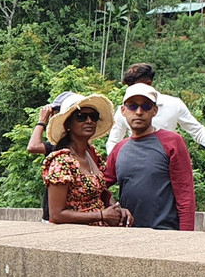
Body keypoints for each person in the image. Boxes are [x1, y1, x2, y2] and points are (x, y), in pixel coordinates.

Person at [106, 63, 205, 169]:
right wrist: (120, 167)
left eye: (135, 86)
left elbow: (197, 130)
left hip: (169, 168)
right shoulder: (125, 110)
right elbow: (113, 142)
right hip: (137, 169)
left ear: (149, 83)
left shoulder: (173, 104)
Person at [104, 84, 196, 231]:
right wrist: (113, 208)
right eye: (132, 106)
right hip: (128, 234)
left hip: (165, 234)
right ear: (123, 111)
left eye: (146, 106)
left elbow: (185, 194)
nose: (139, 112)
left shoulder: (172, 142)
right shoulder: (119, 149)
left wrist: (185, 237)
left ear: (155, 111)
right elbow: (99, 186)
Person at [42, 92, 132, 227]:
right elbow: (56, 215)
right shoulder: (62, 161)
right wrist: (101, 215)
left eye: (93, 117)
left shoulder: (93, 154)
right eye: (81, 117)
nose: (89, 121)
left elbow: (101, 192)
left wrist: (117, 210)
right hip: (77, 236)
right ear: (68, 125)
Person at [27, 92, 74, 222]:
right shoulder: (57, 145)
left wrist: (41, 121)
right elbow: (33, 147)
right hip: (58, 215)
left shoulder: (61, 147)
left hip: (64, 216)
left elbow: (33, 146)